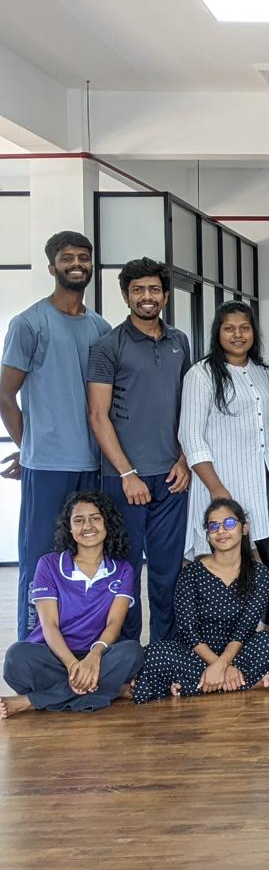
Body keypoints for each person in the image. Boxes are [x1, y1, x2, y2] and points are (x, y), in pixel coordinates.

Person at [1, 231, 111, 639]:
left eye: (83, 257)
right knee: (40, 559)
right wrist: (27, 446)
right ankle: (32, 646)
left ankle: (80, 641)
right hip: (46, 467)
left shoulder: (101, 327)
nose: (76, 264)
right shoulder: (29, 324)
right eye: (67, 258)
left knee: (85, 558)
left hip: (93, 463)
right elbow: (5, 394)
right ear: (53, 267)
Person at [87, 257, 191, 642]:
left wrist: (184, 459)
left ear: (164, 294)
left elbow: (188, 409)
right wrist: (127, 474)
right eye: (138, 290)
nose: (146, 297)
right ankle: (127, 657)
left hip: (172, 478)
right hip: (124, 480)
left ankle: (165, 654)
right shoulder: (106, 346)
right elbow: (98, 416)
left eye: (153, 289)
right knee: (125, 573)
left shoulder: (180, 341)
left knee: (168, 574)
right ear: (126, 295)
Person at [179, 301, 269, 627]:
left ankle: (261, 629)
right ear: (218, 332)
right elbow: (191, 436)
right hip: (219, 481)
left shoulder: (263, 372)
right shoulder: (200, 375)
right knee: (219, 563)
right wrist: (217, 489)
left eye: (245, 328)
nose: (238, 334)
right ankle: (216, 637)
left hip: (264, 477)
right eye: (229, 328)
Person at [132, 498, 269, 703]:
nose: (221, 531)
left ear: (244, 528)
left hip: (240, 651)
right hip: (197, 654)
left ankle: (198, 685)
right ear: (208, 534)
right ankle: (247, 681)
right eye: (213, 526)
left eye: (229, 524)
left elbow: (245, 628)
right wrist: (217, 665)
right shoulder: (191, 573)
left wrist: (222, 665)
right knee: (154, 653)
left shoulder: (260, 574)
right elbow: (188, 630)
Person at [1, 491, 143, 717]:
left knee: (132, 652)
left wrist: (93, 657)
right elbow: (49, 625)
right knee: (16, 658)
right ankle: (111, 690)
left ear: (108, 523)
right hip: (54, 655)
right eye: (78, 520)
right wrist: (71, 665)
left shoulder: (123, 569)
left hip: (97, 655)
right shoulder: (48, 564)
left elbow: (115, 624)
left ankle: (31, 701)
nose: (87, 526)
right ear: (69, 528)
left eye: (95, 518)